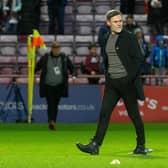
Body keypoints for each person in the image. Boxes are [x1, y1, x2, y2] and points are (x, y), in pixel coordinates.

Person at [76, 9, 151, 155]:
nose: (119, 24)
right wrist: (108, 74)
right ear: (108, 23)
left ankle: (141, 145)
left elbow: (138, 59)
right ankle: (95, 145)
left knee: (134, 115)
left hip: (127, 83)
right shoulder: (105, 37)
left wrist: (128, 77)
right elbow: (106, 58)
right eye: (115, 21)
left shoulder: (130, 37)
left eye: (120, 21)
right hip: (112, 83)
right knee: (104, 113)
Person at [35, 41, 76, 130]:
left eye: (58, 48)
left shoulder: (64, 57)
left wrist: (74, 75)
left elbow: (72, 67)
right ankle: (51, 121)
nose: (56, 50)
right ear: (52, 49)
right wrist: (33, 73)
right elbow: (37, 67)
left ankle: (53, 120)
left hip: (60, 85)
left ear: (60, 49)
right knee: (50, 103)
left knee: (56, 104)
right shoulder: (46, 57)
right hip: (48, 85)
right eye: (54, 48)